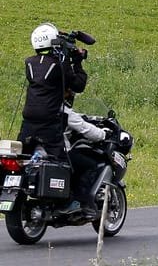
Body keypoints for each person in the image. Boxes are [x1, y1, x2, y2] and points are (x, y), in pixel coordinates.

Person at [17, 22, 88, 159]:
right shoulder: (59, 64)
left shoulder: (30, 63)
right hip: (49, 123)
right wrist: (76, 62)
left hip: (28, 122)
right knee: (60, 161)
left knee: (22, 157)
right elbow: (78, 85)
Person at [60, 90, 108, 218]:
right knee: (91, 165)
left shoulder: (41, 107)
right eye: (69, 94)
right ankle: (79, 201)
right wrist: (103, 134)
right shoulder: (64, 111)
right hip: (61, 152)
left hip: (40, 151)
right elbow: (84, 128)